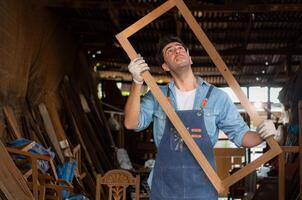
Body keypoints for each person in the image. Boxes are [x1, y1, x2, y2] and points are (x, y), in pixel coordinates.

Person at [124, 36, 277, 200]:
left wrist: (262, 135)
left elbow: (241, 136)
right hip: (165, 186)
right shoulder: (157, 95)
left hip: (203, 186)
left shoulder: (217, 97)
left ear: (190, 58)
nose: (177, 51)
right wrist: (137, 82)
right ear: (165, 66)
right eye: (170, 51)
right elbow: (131, 123)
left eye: (180, 48)